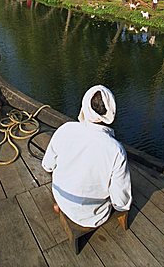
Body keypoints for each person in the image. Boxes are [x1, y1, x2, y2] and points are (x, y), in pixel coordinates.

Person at [42, 85, 132, 228]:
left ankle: (62, 206)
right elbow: (120, 202)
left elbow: (47, 165)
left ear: (84, 106)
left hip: (61, 197)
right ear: (111, 112)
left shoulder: (65, 129)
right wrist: (123, 207)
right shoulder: (116, 150)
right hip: (92, 216)